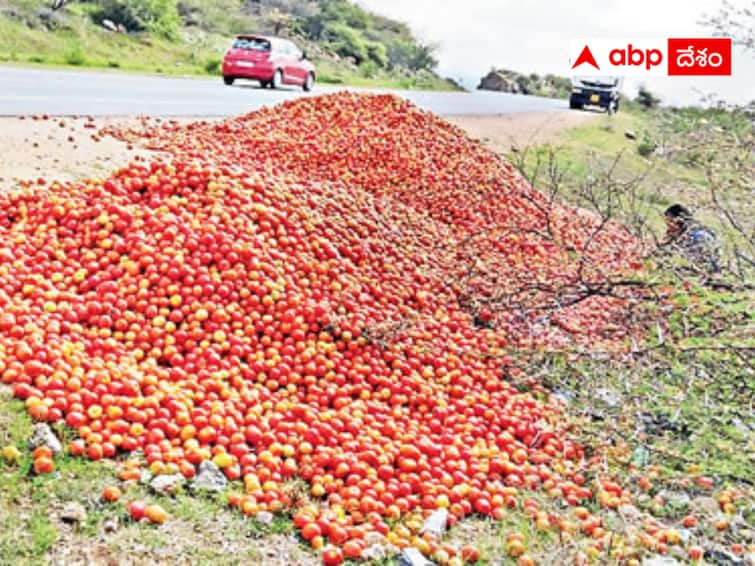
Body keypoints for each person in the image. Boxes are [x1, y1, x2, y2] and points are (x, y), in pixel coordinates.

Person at [663, 204, 721, 273]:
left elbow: (693, 263)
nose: (668, 228)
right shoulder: (685, 234)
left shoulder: (699, 236)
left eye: (670, 223)